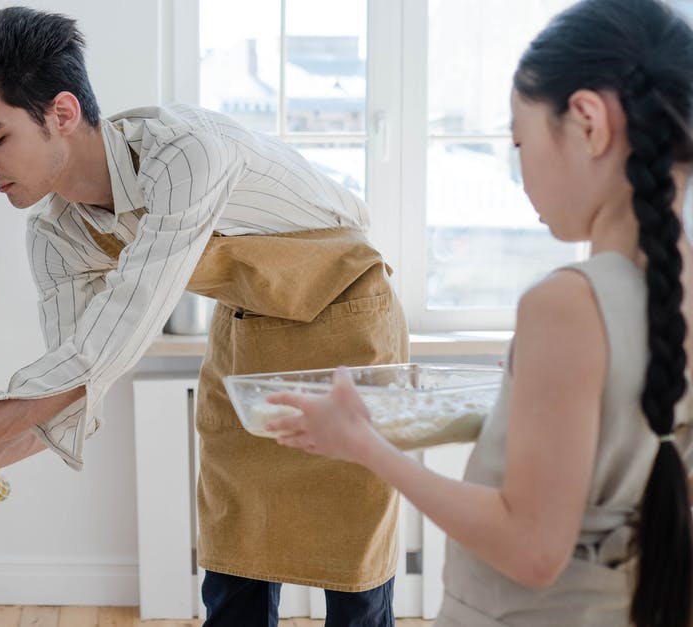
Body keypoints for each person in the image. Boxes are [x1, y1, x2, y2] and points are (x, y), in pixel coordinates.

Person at [0, 7, 407, 625]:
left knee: (352, 567)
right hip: (247, 332)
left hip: (347, 318)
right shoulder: (56, 236)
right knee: (235, 569)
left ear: (61, 113)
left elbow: (104, 348)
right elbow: (67, 396)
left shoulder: (185, 155)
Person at [265, 1, 693, 625]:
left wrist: (363, 445)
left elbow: (534, 549)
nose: (521, 176)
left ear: (588, 122)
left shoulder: (568, 305)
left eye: (520, 141)